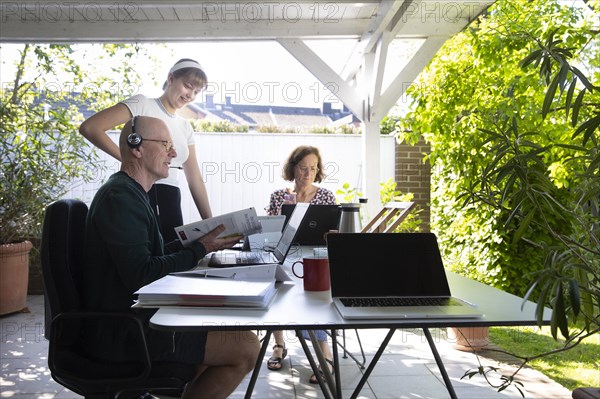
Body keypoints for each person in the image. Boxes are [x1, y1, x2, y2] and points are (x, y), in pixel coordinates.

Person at [81, 116, 260, 399]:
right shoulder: (120, 198)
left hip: (137, 320)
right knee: (247, 347)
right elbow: (142, 273)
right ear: (136, 147)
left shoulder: (132, 194)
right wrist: (198, 251)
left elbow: (153, 255)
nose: (173, 154)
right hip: (126, 331)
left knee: (225, 328)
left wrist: (202, 244)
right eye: (166, 145)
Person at [80, 58, 211, 243]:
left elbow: (195, 178)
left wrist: (211, 223)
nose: (191, 95)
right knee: (146, 261)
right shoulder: (142, 105)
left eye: (196, 92)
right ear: (171, 78)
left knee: (171, 260)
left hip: (171, 199)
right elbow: (91, 128)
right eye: (188, 86)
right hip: (141, 193)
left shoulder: (185, 127)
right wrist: (128, 158)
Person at [265, 145, 337, 384]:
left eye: (313, 168)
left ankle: (324, 350)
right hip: (285, 255)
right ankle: (279, 344)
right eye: (304, 168)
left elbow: (333, 234)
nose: (308, 173)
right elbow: (271, 232)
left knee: (311, 288)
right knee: (274, 280)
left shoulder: (326, 196)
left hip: (316, 258)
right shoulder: (278, 195)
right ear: (293, 167)